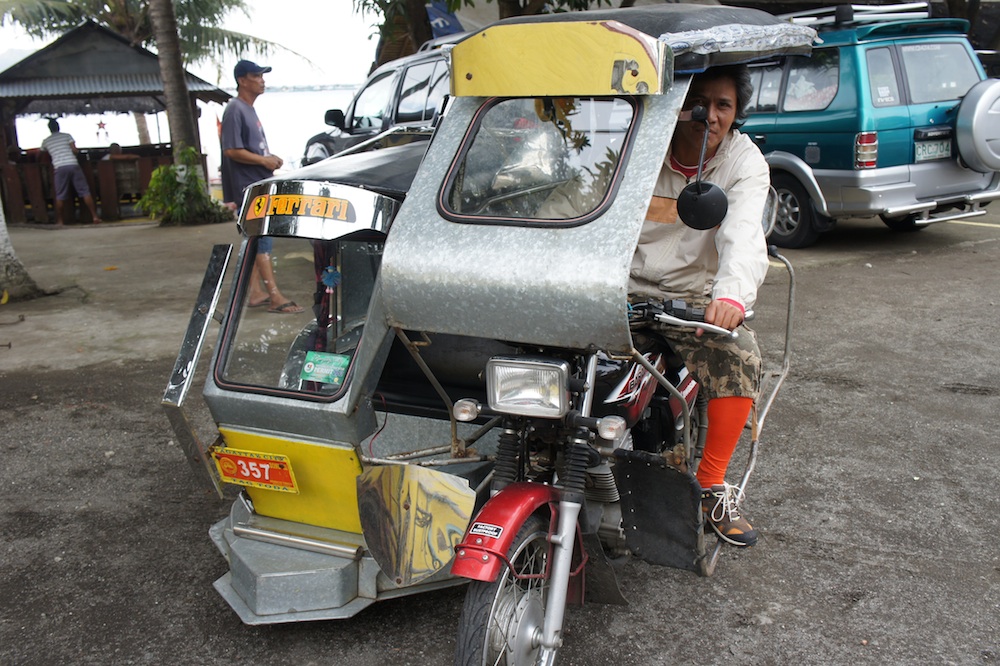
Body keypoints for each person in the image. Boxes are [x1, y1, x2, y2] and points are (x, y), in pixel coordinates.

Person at [629, 65, 770, 547]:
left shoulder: (742, 162)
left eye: (723, 106)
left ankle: (710, 485)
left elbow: (745, 234)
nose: (708, 115)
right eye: (699, 102)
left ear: (735, 114)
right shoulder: (640, 147)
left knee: (739, 354)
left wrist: (730, 297)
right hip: (620, 290)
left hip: (691, 301)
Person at [220, 59, 303, 314]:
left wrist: (269, 159)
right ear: (242, 80)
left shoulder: (248, 109)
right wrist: (264, 160)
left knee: (255, 239)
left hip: (256, 181)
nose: (262, 80)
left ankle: (256, 293)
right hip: (248, 188)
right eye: (256, 76)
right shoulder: (235, 109)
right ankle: (275, 295)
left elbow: (248, 149)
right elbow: (232, 150)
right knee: (261, 240)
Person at [40, 119, 102, 225]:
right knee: (84, 191)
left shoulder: (46, 141)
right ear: (58, 127)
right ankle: (94, 216)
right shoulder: (67, 136)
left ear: (49, 129)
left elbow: (42, 154)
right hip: (73, 164)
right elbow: (74, 150)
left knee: (60, 195)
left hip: (59, 167)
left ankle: (60, 220)